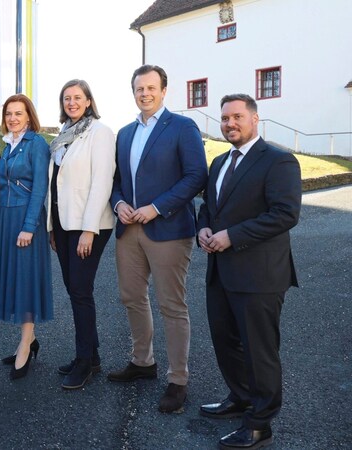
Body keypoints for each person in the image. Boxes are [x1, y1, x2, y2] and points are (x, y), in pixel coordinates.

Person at [197, 94, 300, 450]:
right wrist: (204, 229)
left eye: (237, 117)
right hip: (220, 272)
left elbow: (285, 214)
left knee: (259, 351)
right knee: (225, 341)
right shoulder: (219, 162)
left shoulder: (278, 160)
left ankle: (260, 425)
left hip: (259, 275)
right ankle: (240, 397)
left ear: (255, 119)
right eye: (225, 118)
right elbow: (208, 207)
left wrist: (232, 236)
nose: (230, 124)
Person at [108, 65, 208, 413]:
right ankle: (142, 361)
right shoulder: (123, 133)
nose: (145, 93)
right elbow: (116, 179)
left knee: (172, 305)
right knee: (131, 297)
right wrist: (119, 203)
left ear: (164, 91)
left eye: (151, 88)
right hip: (128, 229)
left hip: (167, 229)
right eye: (139, 88)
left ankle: (178, 379)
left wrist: (156, 207)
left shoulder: (182, 127)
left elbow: (197, 176)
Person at [47, 80, 116, 389]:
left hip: (88, 225)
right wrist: (52, 225)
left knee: (80, 290)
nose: (72, 102)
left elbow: (102, 181)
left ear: (89, 101)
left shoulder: (100, 133)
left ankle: (85, 362)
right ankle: (92, 355)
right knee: (74, 289)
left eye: (77, 97)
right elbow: (56, 183)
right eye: (67, 98)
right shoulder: (63, 135)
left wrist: (89, 230)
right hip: (63, 222)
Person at [0, 94, 51, 379]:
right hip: (7, 219)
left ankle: (26, 344)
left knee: (25, 280)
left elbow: (39, 188)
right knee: (13, 277)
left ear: (29, 116)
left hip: (27, 219)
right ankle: (29, 338)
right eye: (9, 114)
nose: (13, 118)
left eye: (18, 113)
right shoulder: (8, 145)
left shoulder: (36, 144)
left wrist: (29, 226)